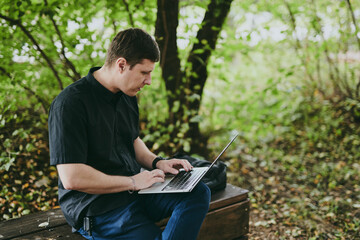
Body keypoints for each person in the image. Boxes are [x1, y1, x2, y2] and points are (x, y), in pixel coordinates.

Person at [48, 28, 211, 240]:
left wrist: (158, 163)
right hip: (98, 207)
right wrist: (133, 182)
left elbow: (132, 140)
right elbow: (72, 178)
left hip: (136, 191)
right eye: (144, 73)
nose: (149, 81)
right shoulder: (70, 104)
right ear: (121, 65)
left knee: (198, 193)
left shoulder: (127, 95)